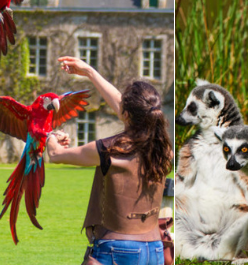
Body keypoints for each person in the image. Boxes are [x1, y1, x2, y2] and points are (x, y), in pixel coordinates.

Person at [47, 56, 173, 265]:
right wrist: (89, 72)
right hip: (155, 249)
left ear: (126, 113)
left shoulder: (108, 150)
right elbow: (129, 111)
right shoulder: (164, 149)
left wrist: (51, 136)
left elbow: (56, 155)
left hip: (116, 249)